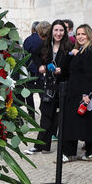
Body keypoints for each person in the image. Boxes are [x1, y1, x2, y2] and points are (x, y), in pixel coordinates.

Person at [26, 20, 73, 154]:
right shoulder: (46, 45)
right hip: (49, 85)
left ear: (65, 32)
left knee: (59, 117)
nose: (58, 33)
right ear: (52, 31)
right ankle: (40, 145)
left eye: (61, 30)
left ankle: (59, 147)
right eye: (56, 30)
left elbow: (72, 67)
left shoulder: (69, 46)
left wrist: (62, 70)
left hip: (63, 86)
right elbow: (34, 55)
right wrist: (40, 66)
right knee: (46, 114)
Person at [60, 24, 92, 162]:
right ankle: (74, 152)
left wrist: (86, 94)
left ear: (89, 35)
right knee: (75, 122)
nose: (80, 36)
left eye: (83, 34)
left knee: (86, 123)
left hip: (84, 92)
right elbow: (65, 68)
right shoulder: (81, 50)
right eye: (78, 34)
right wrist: (71, 54)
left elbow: (90, 74)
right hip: (75, 91)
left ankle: (88, 152)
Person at [23, 21, 50, 120]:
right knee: (42, 93)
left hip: (30, 70)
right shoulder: (44, 40)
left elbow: (25, 55)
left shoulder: (27, 40)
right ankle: (44, 112)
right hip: (41, 70)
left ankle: (31, 115)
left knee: (29, 94)